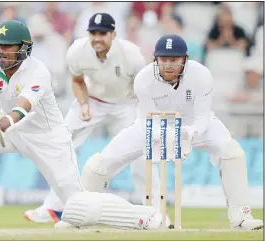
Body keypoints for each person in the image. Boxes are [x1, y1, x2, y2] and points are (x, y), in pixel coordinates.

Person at [0, 19, 165, 231]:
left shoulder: (38, 71)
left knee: (77, 209)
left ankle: (144, 216)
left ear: (24, 48)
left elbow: (22, 108)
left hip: (48, 140)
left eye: (8, 45)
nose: (2, 51)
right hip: (12, 132)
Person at [64, 34, 264, 231]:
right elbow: (149, 120)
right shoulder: (143, 79)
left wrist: (190, 133)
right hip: (150, 125)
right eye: (164, 60)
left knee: (232, 152)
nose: (168, 65)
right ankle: (79, 217)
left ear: (185, 59)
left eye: (174, 60)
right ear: (155, 59)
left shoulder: (201, 75)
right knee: (99, 166)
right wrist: (171, 138)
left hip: (195, 124)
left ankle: (241, 217)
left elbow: (203, 116)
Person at [23, 12, 169, 226]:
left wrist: (144, 115)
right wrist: (83, 104)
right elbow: (77, 80)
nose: (97, 38)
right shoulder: (77, 51)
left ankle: (157, 212)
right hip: (93, 101)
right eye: (93, 33)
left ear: (114, 34)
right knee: (61, 143)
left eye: (103, 33)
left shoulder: (131, 55)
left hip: (126, 104)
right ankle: (54, 206)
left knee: (141, 153)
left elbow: (145, 86)